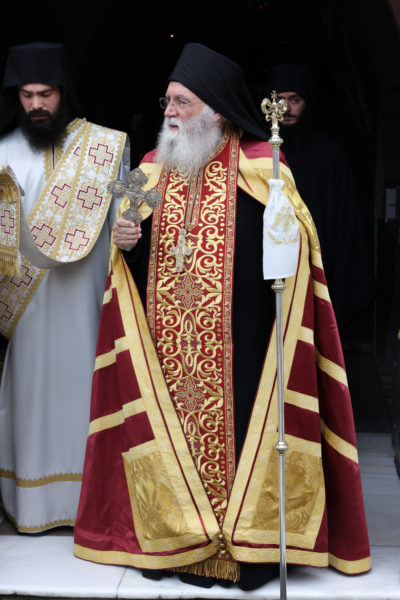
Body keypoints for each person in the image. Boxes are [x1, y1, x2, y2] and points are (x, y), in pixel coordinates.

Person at [73, 44, 371, 590]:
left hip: (244, 344)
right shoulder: (152, 167)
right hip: (167, 348)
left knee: (243, 438)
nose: (169, 112)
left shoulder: (263, 166)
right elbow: (132, 261)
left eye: (181, 102)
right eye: (167, 101)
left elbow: (294, 257)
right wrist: (127, 242)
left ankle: (244, 547)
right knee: (169, 437)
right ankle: (176, 540)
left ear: (215, 109)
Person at [0, 42, 129, 532]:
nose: (36, 104)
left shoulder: (105, 148)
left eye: (46, 94)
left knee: (86, 402)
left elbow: (123, 223)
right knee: (31, 403)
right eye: (27, 95)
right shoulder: (3, 153)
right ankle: (31, 507)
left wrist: (129, 235)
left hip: (87, 308)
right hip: (28, 315)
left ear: (64, 92)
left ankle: (88, 506)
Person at [265, 63, 375, 331]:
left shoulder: (330, 155)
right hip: (269, 269)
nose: (286, 109)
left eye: (295, 100)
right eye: (280, 100)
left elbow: (345, 223)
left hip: (318, 266)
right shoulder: (260, 154)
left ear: (307, 103)